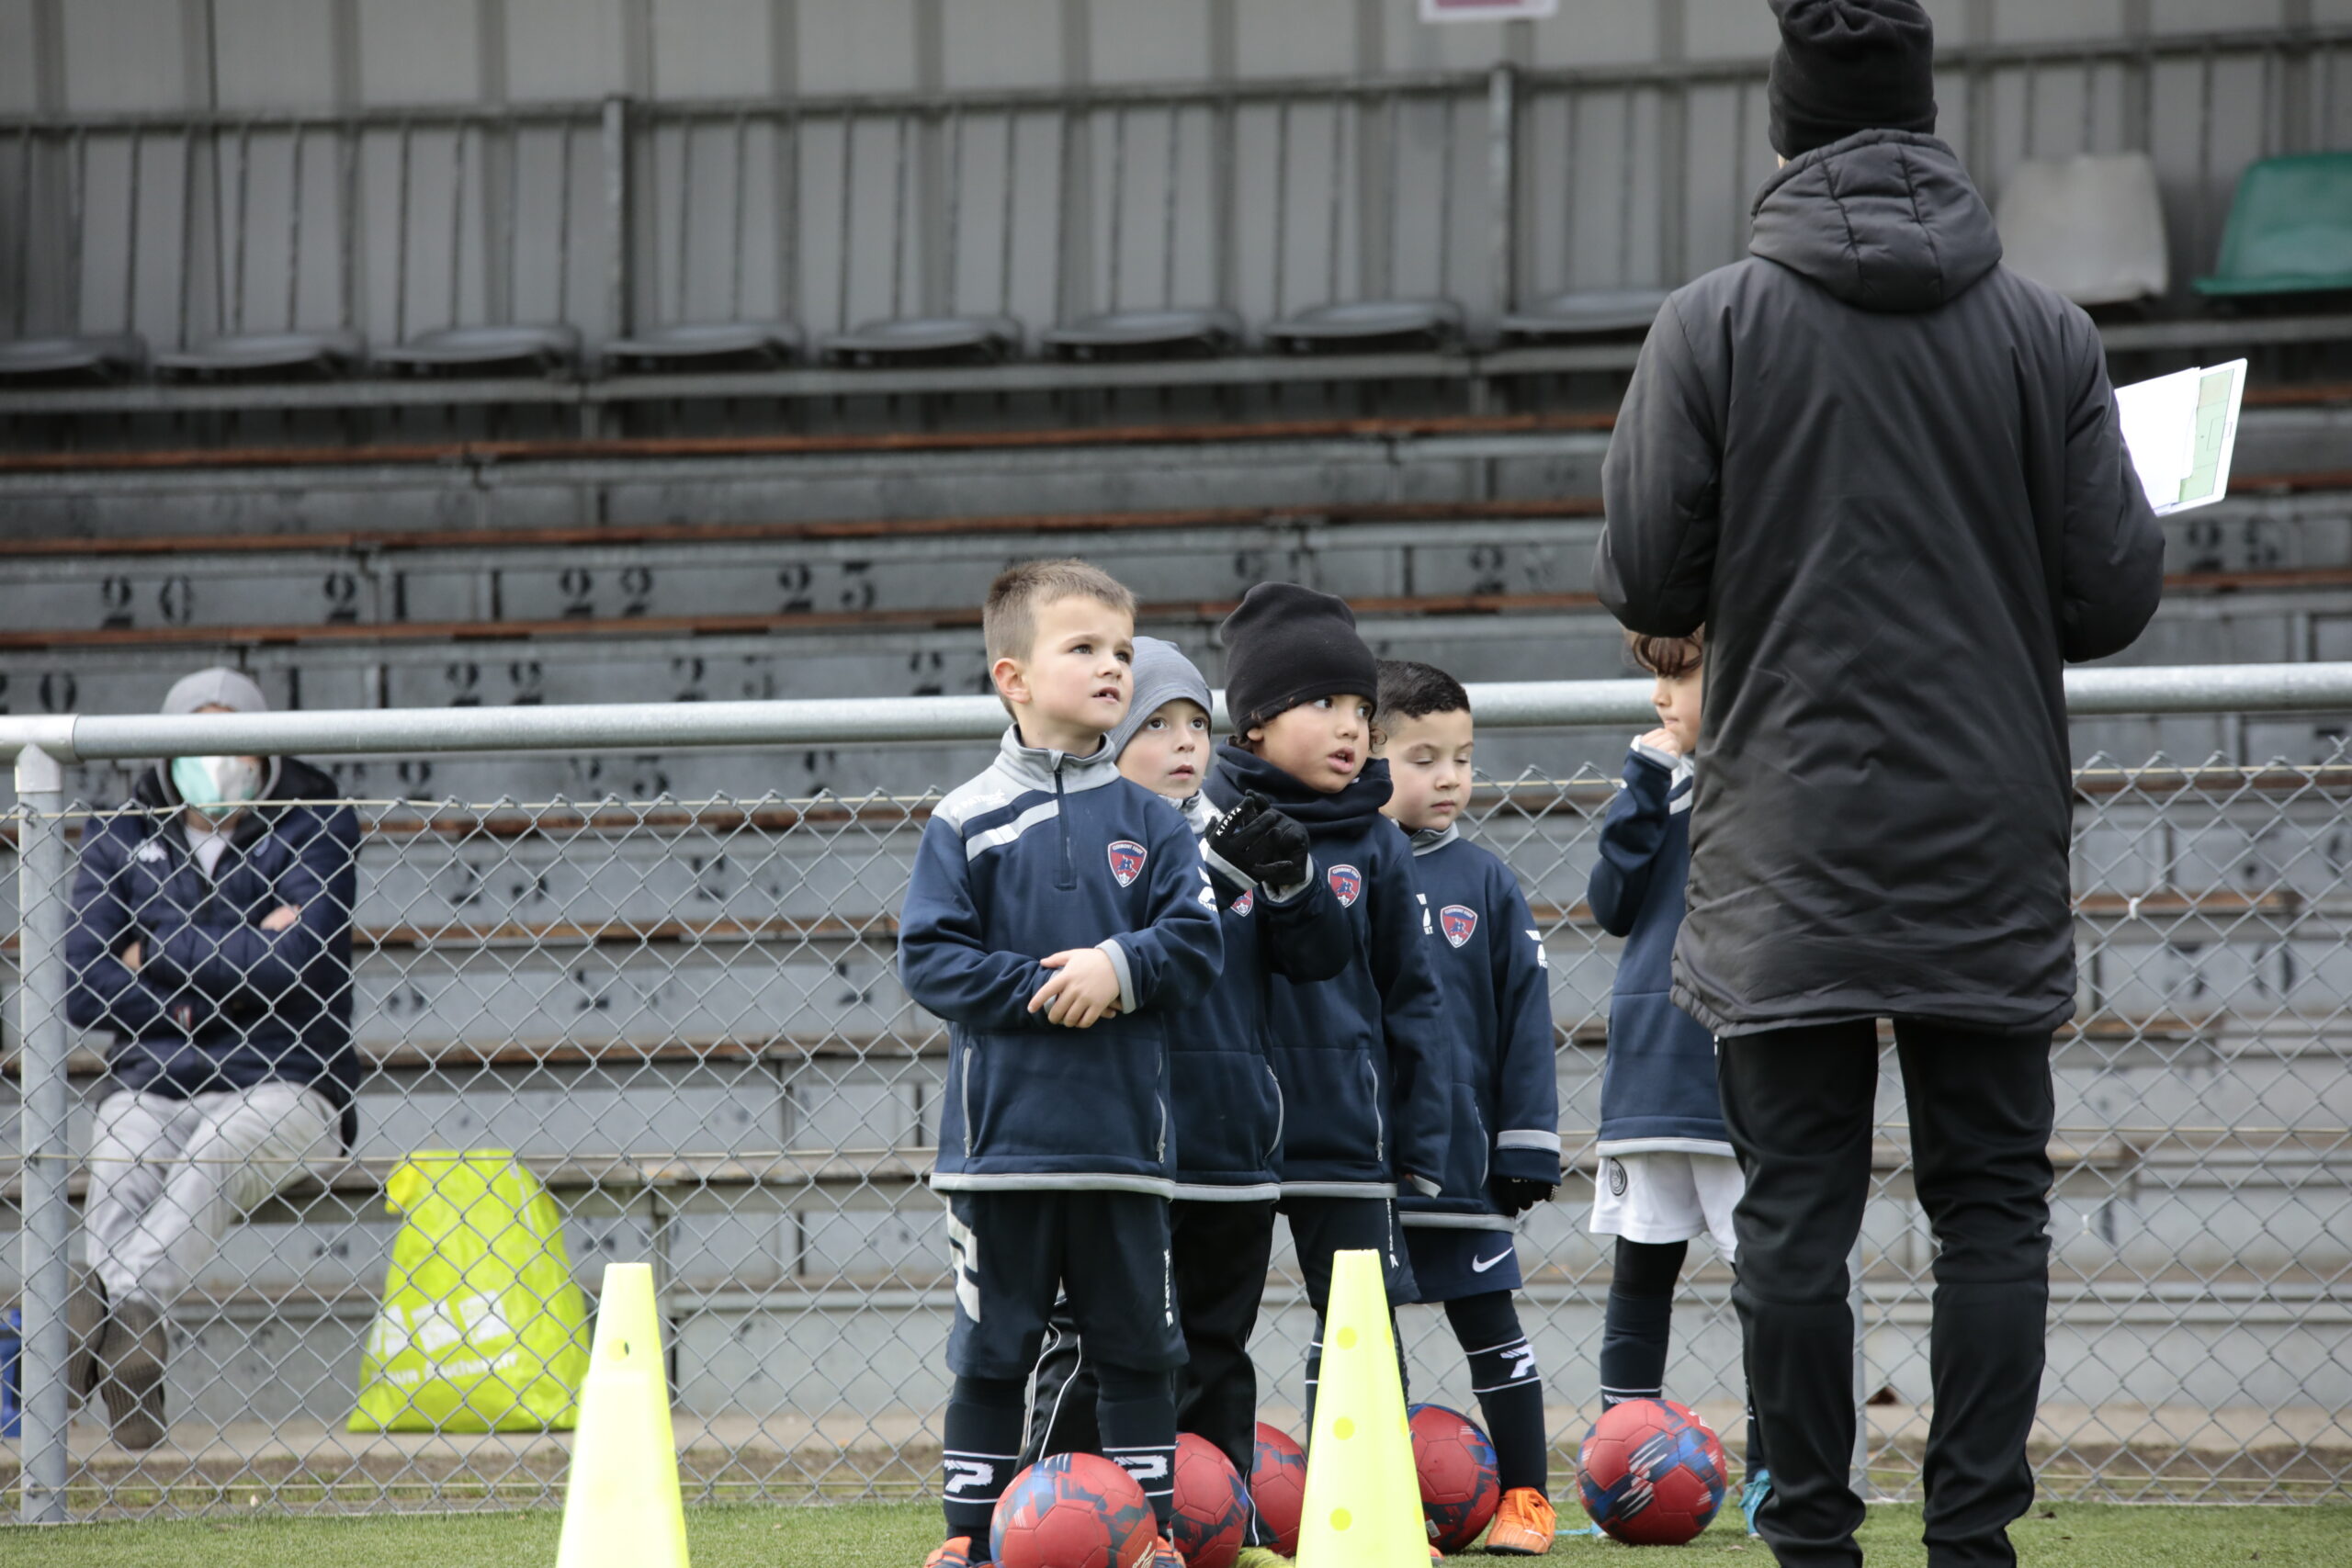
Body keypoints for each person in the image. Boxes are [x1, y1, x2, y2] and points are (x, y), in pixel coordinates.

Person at [1592, 1, 2165, 1562]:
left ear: (1783, 134)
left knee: (1795, 1212)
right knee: (1994, 1202)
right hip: (1983, 823)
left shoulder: (1712, 324)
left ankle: (1816, 1542)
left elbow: (1644, 567)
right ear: (1928, 128)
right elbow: (2112, 595)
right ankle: (1973, 1538)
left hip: (1787, 826)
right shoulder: (2046, 330)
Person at [899, 562, 1224, 1568]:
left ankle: (1153, 1536)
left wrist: (1119, 967)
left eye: (1122, 652)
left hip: (1125, 1149)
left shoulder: (1158, 824)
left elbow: (1197, 946)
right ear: (1014, 677)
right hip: (1000, 1155)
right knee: (992, 1353)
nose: (1111, 668)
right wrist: (1050, 988)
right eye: (1082, 648)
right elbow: (930, 960)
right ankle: (969, 1541)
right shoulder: (964, 819)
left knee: (1139, 1351)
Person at [1023, 637, 1349, 1568]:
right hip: (1119, 1148)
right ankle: (1050, 1515)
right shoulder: (1082, 840)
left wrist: (1290, 884)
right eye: (1153, 725)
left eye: (1193, 725)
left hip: (1230, 1143)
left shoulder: (1239, 829)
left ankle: (1214, 1526)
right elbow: (1102, 959)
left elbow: (1318, 959)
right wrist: (1212, 881)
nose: (1180, 744)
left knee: (1216, 1349)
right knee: (1105, 1347)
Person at [61, 666, 361, 1450]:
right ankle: (129, 1339)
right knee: (119, 1154)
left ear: (264, 749)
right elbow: (84, 984)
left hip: (289, 1081)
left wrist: (155, 953)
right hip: (155, 1079)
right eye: (200, 740)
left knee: (214, 1153)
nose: (218, 761)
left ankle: (99, 1325)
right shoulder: (122, 829)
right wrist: (226, 974)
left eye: (235, 741)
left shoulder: (316, 821)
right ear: (168, 749)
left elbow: (303, 960)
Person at [1202, 583, 1453, 1433]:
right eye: (1323, 703)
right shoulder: (1195, 831)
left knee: (1357, 1336)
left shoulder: (1377, 842)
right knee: (1206, 1335)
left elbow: (1411, 994)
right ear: (1254, 725)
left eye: (1361, 707)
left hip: (1344, 1136)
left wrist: (1421, 1130)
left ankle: (1361, 1519)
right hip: (1220, 1139)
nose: (1352, 725)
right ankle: (1202, 1516)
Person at [1373, 660, 1564, 1557]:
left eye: (1462, 757)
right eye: (1423, 758)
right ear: (1364, 760)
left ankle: (1524, 1499)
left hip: (1459, 1156)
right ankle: (1369, 1505)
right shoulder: (1327, 872)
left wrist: (1523, 1143)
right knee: (1359, 1339)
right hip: (1358, 1159)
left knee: (1491, 1323)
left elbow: (1526, 1019)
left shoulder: (1484, 882)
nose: (1450, 777)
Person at [1583, 630, 1769, 1534]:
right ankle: (1623, 1450)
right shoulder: (1656, 790)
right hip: (1652, 1069)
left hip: (1745, 1074)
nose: (1661, 697)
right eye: (1654, 678)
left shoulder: (1775, 792)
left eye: (1681, 676)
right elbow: (1611, 904)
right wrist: (1642, 789)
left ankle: (1781, 1466)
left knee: (1770, 1280)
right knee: (1639, 1275)